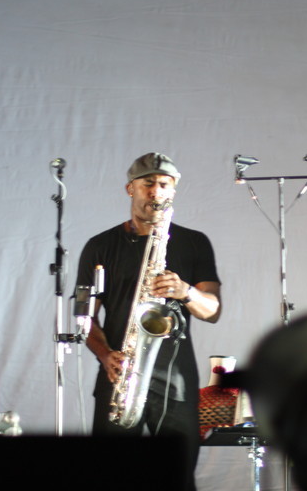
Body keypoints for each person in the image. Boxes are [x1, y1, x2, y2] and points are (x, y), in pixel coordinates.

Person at [76, 152, 221, 491]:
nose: (156, 192)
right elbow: (84, 317)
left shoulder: (195, 242)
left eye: (164, 185)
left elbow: (212, 310)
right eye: (148, 184)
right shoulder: (100, 246)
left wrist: (185, 291)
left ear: (173, 191)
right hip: (120, 376)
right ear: (130, 188)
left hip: (176, 383)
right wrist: (105, 355)